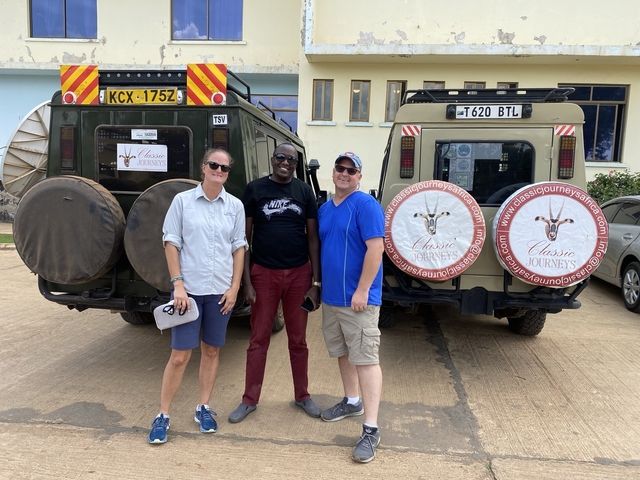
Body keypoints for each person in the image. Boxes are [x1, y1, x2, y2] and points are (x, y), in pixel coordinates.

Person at [147, 148, 247, 444]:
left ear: (229, 173)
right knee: (180, 356)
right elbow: (170, 243)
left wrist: (234, 287)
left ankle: (203, 407)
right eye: (214, 165)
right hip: (187, 293)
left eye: (224, 168)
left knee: (212, 351)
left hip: (220, 292)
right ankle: (163, 415)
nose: (219, 170)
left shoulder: (235, 206)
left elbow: (239, 247)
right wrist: (178, 284)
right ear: (204, 167)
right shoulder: (183, 202)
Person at [228, 142, 322, 423]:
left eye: (291, 160)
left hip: (298, 274)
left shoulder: (304, 191)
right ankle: (249, 399)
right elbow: (243, 239)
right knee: (258, 339)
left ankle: (302, 395)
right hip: (264, 273)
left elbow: (313, 238)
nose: (285, 162)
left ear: (296, 164)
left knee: (298, 341)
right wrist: (246, 281)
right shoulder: (255, 189)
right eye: (281, 157)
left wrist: (316, 283)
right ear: (272, 159)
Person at [318, 152, 385, 463]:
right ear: (333, 172)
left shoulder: (366, 206)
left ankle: (370, 429)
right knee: (344, 353)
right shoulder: (324, 209)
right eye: (340, 168)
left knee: (366, 359)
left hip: (358, 301)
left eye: (351, 170)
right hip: (332, 299)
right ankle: (352, 400)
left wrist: (362, 290)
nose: (344, 174)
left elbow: (376, 249)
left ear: (359, 176)